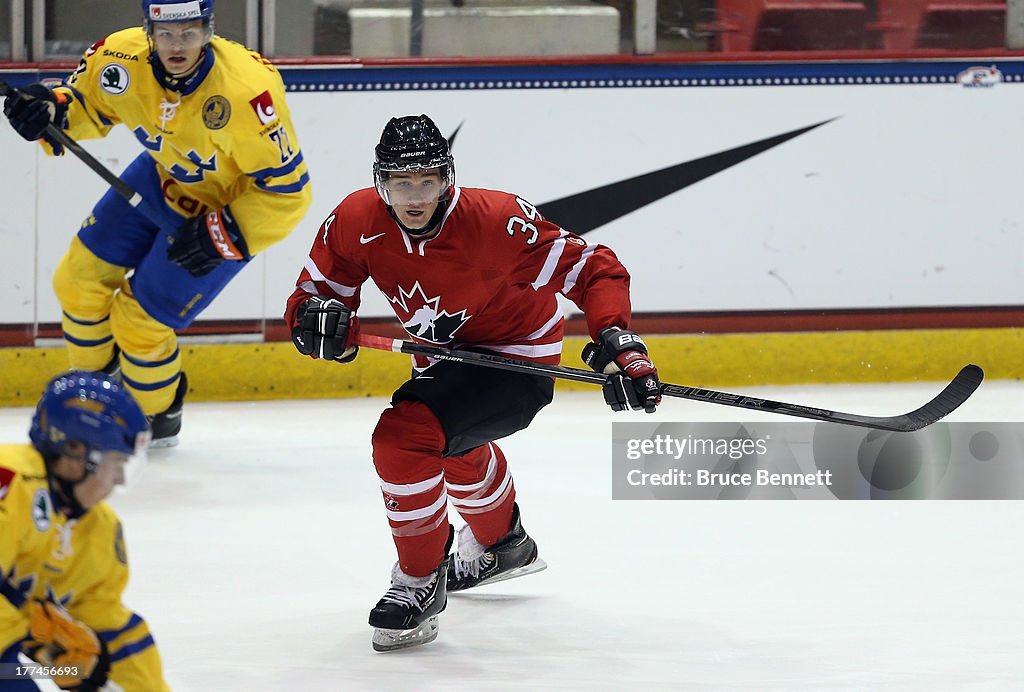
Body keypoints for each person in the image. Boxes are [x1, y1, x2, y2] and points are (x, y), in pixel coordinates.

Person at [285, 114, 661, 652]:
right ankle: (503, 544)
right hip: (441, 358)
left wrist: (618, 340)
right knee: (451, 448)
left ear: (447, 178)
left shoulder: (500, 221)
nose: (414, 197)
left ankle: (419, 581)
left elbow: (594, 269)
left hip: (515, 359)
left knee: (404, 438)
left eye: (427, 181)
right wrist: (317, 319)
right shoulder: (355, 220)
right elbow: (317, 294)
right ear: (380, 181)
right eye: (400, 182)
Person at [2, 0, 311, 447]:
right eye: (165, 33)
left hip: (222, 211)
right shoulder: (118, 57)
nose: (176, 45)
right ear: (148, 31)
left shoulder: (248, 92)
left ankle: (155, 416)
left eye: (189, 32)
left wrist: (221, 235)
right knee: (77, 282)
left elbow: (288, 193)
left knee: (139, 322)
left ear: (208, 30)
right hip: (160, 177)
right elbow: (85, 104)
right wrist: (48, 109)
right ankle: (93, 399)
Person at [0, 372, 169, 690]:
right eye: (116, 462)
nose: (119, 480)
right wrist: (25, 637)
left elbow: (109, 624)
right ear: (75, 452)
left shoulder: (97, 530)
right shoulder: (10, 481)